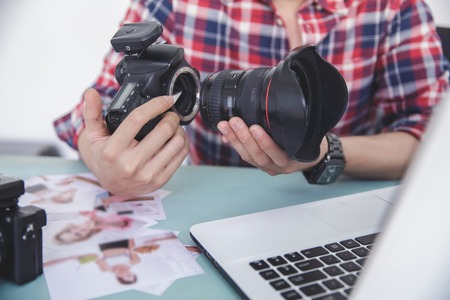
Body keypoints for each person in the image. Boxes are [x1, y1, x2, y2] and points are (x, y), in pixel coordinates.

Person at [54, 0, 449, 196]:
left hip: (335, 205)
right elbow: (98, 107)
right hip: (206, 206)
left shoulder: (391, 6)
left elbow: (434, 140)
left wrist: (324, 152)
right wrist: (105, 161)